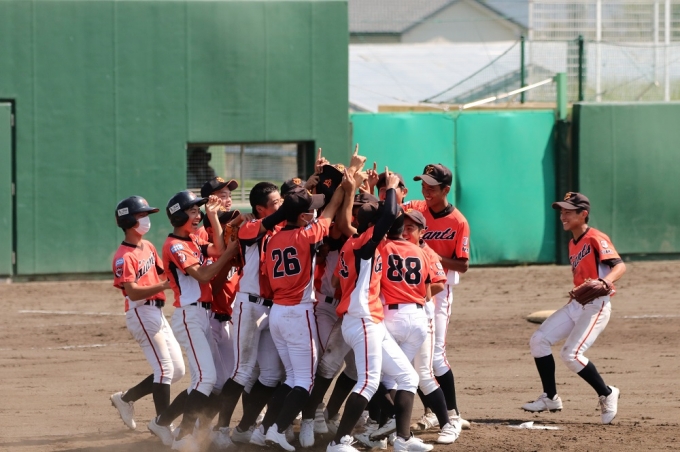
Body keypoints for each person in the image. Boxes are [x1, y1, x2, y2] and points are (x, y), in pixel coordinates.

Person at [328, 168, 430, 452]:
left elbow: (388, 217)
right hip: (362, 319)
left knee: (408, 378)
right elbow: (390, 215)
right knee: (369, 382)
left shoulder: (356, 241)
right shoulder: (363, 244)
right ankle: (338, 443)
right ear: (372, 226)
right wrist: (392, 188)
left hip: (370, 320)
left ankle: (403, 439)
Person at [259, 174, 349, 451]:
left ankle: (263, 429)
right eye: (310, 209)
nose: (313, 212)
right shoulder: (306, 235)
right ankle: (277, 430)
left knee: (291, 378)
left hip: (277, 313)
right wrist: (344, 188)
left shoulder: (273, 239)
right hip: (298, 314)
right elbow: (331, 211)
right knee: (305, 382)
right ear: (301, 216)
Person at [523, 192, 625, 424]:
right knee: (539, 340)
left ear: (583, 214)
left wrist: (605, 281)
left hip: (596, 306)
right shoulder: (573, 243)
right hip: (577, 305)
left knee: (571, 354)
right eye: (562, 211)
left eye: (568, 212)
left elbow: (619, 266)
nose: (563, 216)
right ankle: (550, 398)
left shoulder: (596, 238)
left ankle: (607, 392)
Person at [160, 190, 239, 452]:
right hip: (189, 316)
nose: (197, 215)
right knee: (205, 379)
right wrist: (228, 254)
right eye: (192, 211)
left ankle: (187, 428)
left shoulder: (193, 239)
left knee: (219, 380)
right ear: (178, 215)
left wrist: (213, 217)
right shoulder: (175, 245)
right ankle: (182, 436)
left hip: (203, 315)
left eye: (198, 211)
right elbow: (203, 275)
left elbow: (217, 249)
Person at [110, 196, 185, 444]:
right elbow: (132, 292)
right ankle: (164, 424)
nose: (146, 220)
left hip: (157, 312)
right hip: (140, 312)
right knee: (164, 370)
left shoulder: (149, 247)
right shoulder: (123, 257)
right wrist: (163, 285)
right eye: (141, 215)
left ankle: (126, 398)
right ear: (129, 221)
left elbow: (165, 272)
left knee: (177, 371)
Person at [407, 163, 470, 429]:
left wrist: (430, 255)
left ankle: (452, 413)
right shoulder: (415, 208)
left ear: (446, 189)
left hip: (440, 292)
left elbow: (463, 264)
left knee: (435, 357)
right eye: (423, 185)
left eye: (432, 187)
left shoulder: (458, 221)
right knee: (412, 355)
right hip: (411, 290)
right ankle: (432, 412)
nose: (426, 190)